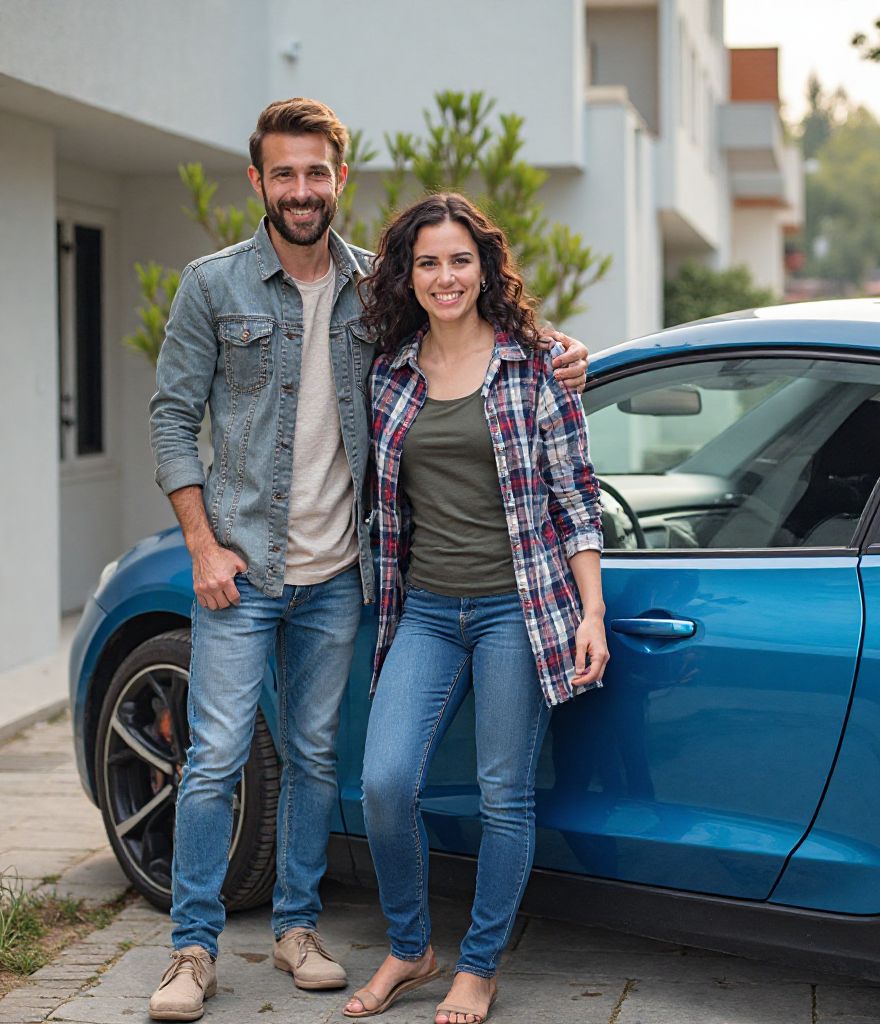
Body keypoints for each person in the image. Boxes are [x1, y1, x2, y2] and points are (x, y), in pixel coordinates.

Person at [147, 99, 588, 1022]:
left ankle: (299, 930)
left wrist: (557, 348)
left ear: (339, 179)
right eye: (284, 173)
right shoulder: (214, 285)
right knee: (218, 758)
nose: (301, 190)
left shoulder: (371, 293)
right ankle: (192, 950)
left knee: (316, 758)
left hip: (345, 577)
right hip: (245, 569)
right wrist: (201, 543)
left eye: (317, 172)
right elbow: (171, 418)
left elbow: (485, 354)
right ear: (259, 180)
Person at [343, 193, 609, 1024]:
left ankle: (481, 966)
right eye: (427, 262)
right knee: (384, 784)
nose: (445, 276)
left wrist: (592, 614)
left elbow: (577, 499)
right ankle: (411, 947)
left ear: (485, 268)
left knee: (504, 796)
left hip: (516, 613)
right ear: (407, 275)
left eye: (460, 259)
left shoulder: (537, 365)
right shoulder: (389, 372)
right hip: (424, 610)